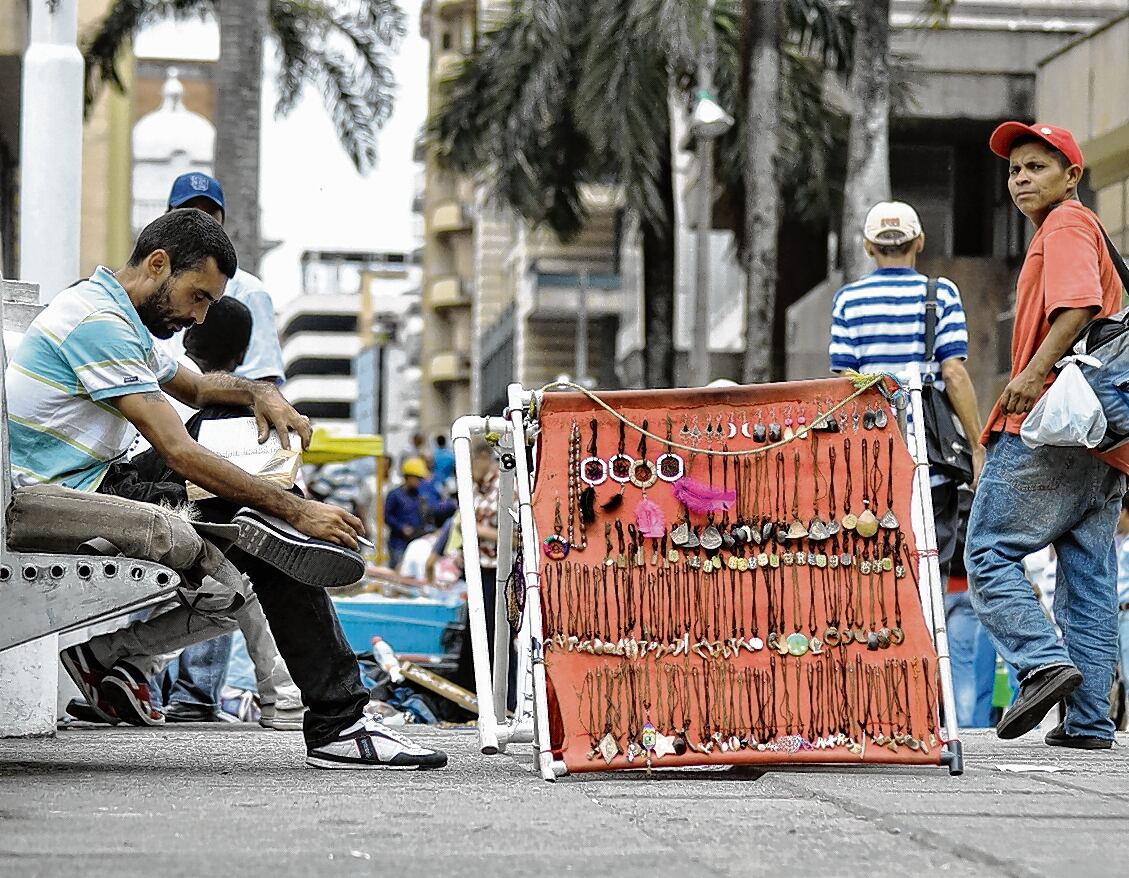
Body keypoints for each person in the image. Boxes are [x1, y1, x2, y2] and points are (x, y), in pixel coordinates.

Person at [9, 209, 445, 769]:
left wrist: (260, 394)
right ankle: (341, 722)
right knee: (265, 525)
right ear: (158, 264)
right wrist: (295, 509)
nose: (199, 315)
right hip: (64, 502)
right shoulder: (98, 323)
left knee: (246, 468)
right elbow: (178, 452)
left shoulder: (116, 312)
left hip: (104, 479)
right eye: (198, 297)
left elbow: (196, 388)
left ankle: (337, 710)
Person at [965, 122, 1128, 750]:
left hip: (1051, 422)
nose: (1021, 180)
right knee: (1088, 578)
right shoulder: (1086, 229)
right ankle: (1088, 722)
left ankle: (1039, 662)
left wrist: (1032, 374)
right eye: (1014, 170)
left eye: (1037, 167)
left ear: (1072, 176)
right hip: (1104, 437)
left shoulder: (1064, 225)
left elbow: (1077, 305)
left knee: (988, 551)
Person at [830, 200, 985, 576]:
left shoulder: (848, 301)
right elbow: (954, 374)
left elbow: (844, 384)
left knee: (879, 567)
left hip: (871, 460)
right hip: (931, 462)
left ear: (869, 246)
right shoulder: (941, 294)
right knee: (932, 565)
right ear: (919, 241)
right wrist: (978, 446)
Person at [161, 173, 286, 385]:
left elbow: (265, 379)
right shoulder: (152, 286)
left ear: (222, 223)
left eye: (209, 215)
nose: (199, 224)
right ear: (166, 218)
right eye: (188, 212)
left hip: (219, 406)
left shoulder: (248, 290)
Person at [385, 457, 433, 568]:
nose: (419, 482)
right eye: (417, 479)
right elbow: (387, 516)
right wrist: (402, 528)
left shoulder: (419, 496)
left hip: (415, 542)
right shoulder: (395, 495)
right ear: (409, 477)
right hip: (398, 543)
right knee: (397, 570)